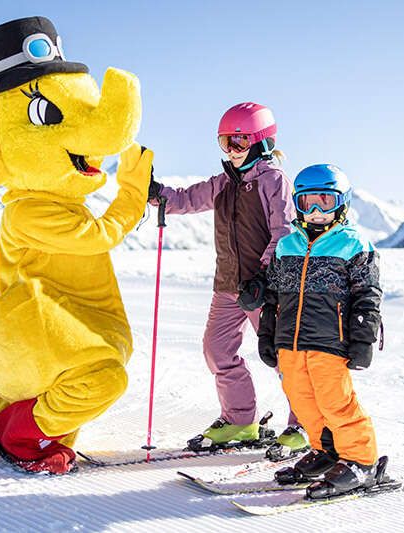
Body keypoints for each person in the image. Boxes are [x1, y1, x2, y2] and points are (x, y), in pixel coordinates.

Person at [149, 102, 307, 452]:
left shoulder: (273, 181)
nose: (232, 152)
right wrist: (155, 192)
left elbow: (284, 233)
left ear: (261, 143)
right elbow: (185, 199)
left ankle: (303, 425)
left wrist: (264, 277)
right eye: (225, 143)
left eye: (238, 143)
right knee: (217, 349)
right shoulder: (222, 183)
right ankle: (240, 420)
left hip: (265, 288)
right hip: (228, 287)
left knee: (284, 356)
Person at [258, 164, 383, 496]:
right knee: (302, 399)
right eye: (307, 202)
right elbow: (273, 296)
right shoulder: (287, 245)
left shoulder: (354, 245)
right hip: (290, 342)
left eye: (324, 202)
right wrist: (266, 333)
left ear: (341, 203)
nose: (315, 211)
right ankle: (325, 452)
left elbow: (367, 296)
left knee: (335, 401)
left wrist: (363, 338)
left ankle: (360, 461)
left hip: (331, 340)